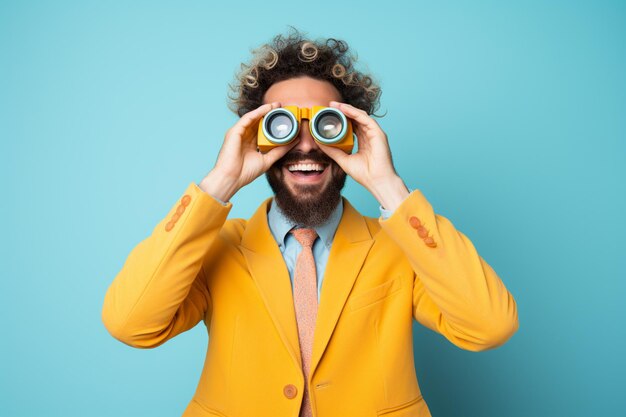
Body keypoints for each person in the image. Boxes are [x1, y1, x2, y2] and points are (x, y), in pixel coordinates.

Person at [102, 30, 519, 417]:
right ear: (255, 134)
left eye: (325, 124)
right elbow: (131, 323)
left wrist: (389, 187)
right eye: (281, 125)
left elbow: (489, 326)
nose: (305, 144)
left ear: (352, 132)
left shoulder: (398, 246)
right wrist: (219, 184)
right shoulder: (217, 245)